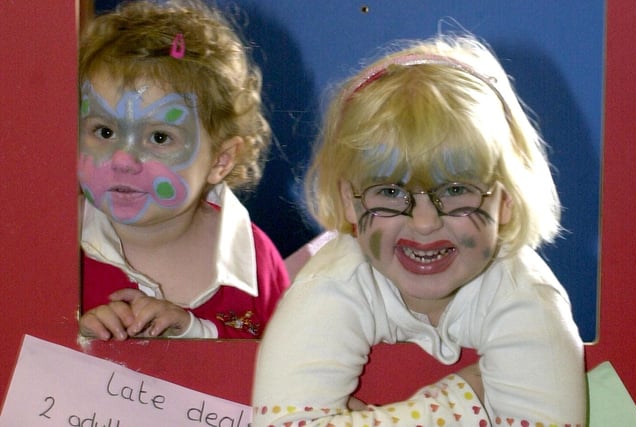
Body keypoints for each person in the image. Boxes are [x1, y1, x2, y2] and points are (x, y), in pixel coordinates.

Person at [252, 33, 586, 426]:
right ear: (348, 201)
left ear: (506, 199)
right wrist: (465, 403)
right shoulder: (335, 282)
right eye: (391, 192)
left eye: (457, 190)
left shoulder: (523, 294)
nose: (425, 223)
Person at [78, 0, 289, 341]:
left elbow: (290, 373)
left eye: (159, 137)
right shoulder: (51, 246)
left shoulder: (255, 262)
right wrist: (71, 336)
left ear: (220, 161)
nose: (122, 159)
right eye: (104, 132)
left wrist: (197, 332)